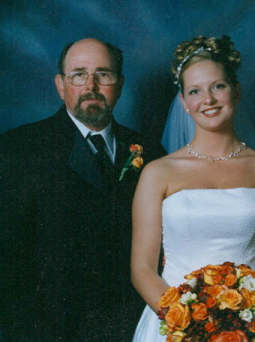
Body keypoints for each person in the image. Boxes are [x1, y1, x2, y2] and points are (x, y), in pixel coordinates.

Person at [131, 35, 255, 341]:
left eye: (217, 86)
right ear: (183, 102)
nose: (207, 100)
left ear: (236, 90)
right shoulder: (158, 173)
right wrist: (189, 329)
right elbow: (142, 269)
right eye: (195, 91)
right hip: (175, 328)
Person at [0, 38, 165, 341]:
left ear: (120, 84)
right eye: (78, 74)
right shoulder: (18, 149)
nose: (91, 85)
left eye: (104, 74)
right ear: (60, 85)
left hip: (130, 325)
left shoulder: (151, 152)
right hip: (48, 329)